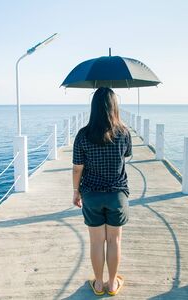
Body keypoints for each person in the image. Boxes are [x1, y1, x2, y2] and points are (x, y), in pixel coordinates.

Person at [72, 87, 132, 296]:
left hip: (91, 194)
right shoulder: (124, 132)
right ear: (115, 106)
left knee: (97, 241)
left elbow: (77, 167)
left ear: (93, 108)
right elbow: (126, 157)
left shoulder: (82, 135)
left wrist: (76, 192)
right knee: (114, 241)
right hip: (117, 194)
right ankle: (113, 284)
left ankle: (98, 284)